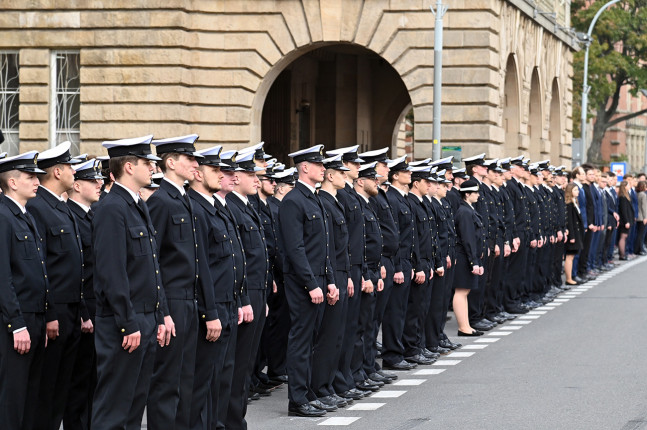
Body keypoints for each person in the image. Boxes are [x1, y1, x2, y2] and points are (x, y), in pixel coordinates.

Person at [91, 135, 171, 430]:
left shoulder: (137, 204)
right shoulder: (112, 207)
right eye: (147, 163)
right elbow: (112, 273)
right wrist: (128, 322)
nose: (152, 168)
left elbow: (150, 266)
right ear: (128, 166)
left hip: (145, 318)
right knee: (114, 406)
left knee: (135, 404)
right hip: (124, 322)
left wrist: (159, 314)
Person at [26, 141, 84, 430]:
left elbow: (77, 264)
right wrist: (49, 314)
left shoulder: (62, 207)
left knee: (62, 387)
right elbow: (41, 266)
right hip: (55, 311)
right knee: (46, 389)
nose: (75, 172)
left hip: (72, 309)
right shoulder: (38, 207)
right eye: (71, 167)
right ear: (58, 171)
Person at [147, 134, 202, 430]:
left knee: (186, 379)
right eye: (189, 159)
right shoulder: (161, 201)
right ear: (170, 163)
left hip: (189, 299)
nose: (196, 164)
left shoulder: (182, 198)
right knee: (167, 381)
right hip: (173, 300)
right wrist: (162, 311)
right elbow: (153, 261)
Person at [278, 144, 337, 417]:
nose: (323, 168)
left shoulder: (314, 199)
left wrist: (331, 281)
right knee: (301, 340)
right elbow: (295, 249)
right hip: (304, 283)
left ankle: (310, 393)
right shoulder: (293, 200)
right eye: (318, 164)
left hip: (321, 280)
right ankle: (297, 400)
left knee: (314, 338)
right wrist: (311, 283)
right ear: (304, 167)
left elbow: (323, 247)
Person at [0, 151, 49, 430]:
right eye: (30, 177)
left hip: (35, 318)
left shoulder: (24, 215)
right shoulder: (4, 216)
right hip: (15, 322)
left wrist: (41, 319)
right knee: (12, 398)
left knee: (32, 395)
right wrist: (17, 324)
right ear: (13, 183)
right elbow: (3, 276)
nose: (37, 182)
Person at [224, 148, 269, 428]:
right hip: (244, 292)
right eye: (251, 174)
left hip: (255, 291)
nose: (257, 180)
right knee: (237, 365)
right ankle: (231, 420)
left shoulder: (246, 206)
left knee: (245, 363)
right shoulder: (232, 207)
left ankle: (236, 418)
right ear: (236, 176)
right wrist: (246, 297)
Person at [63, 158, 104, 430]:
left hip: (96, 309)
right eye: (92, 180)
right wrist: (84, 313)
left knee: (93, 381)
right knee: (78, 384)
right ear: (76, 186)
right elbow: (75, 271)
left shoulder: (92, 215)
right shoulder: (72, 216)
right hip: (83, 312)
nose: (100, 184)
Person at [312, 154, 352, 409]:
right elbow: (328, 247)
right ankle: (321, 387)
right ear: (330, 175)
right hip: (331, 273)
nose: (346, 177)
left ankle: (329, 386)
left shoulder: (334, 201)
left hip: (340, 272)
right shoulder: (323, 202)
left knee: (337, 335)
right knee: (327, 336)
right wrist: (333, 278)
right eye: (342, 173)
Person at [453, 179, 486, 336]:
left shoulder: (469, 210)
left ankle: (466, 325)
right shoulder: (465, 212)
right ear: (467, 194)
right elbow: (468, 238)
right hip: (464, 257)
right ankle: (463, 327)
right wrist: (474, 261)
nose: (478, 195)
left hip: (468, 257)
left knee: (465, 291)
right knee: (461, 291)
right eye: (475, 193)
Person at [564, 183, 584, 286]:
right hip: (573, 234)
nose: (578, 192)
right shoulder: (569, 204)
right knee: (569, 256)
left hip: (577, 233)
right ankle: (568, 278)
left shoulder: (575, 202)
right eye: (575, 190)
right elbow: (570, 221)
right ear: (570, 191)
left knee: (572, 256)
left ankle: (571, 276)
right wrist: (571, 236)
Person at [618, 180, 635, 261]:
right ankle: (622, 255)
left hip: (628, 219)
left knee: (625, 237)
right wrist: (626, 221)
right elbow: (624, 210)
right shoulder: (623, 197)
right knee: (623, 237)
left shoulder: (627, 195)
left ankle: (624, 253)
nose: (629, 186)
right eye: (628, 185)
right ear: (625, 187)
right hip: (625, 221)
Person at [634, 180, 647, 255]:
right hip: (642, 217)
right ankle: (640, 249)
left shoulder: (636, 194)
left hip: (637, 216)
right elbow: (644, 207)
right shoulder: (643, 195)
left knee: (638, 233)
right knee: (641, 234)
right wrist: (645, 217)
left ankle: (637, 248)